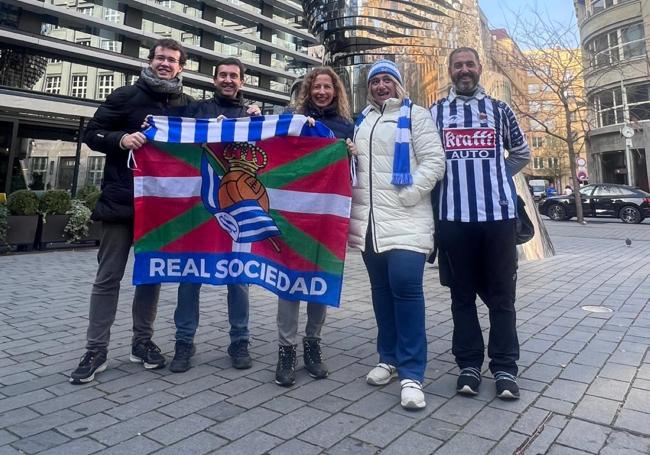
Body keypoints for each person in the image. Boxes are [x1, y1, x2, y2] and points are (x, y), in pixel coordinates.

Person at [69, 39, 192, 384]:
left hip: (160, 208)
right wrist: (121, 139)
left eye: (172, 59)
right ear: (150, 61)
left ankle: (142, 342)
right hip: (121, 203)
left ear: (181, 67)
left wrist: (250, 117)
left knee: (150, 277)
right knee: (108, 278)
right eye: (161, 58)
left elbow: (214, 129)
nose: (166, 63)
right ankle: (96, 349)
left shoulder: (185, 105)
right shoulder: (125, 96)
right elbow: (92, 133)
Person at [430, 47, 531, 400]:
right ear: (450, 71)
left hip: (498, 219)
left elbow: (522, 153)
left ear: (480, 68)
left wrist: (495, 177)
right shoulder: (435, 113)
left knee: (503, 296)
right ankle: (469, 365)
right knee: (461, 297)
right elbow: (425, 158)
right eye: (457, 65)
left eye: (469, 64)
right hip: (453, 219)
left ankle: (504, 367)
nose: (464, 70)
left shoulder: (500, 110)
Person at [349, 60, 445, 409]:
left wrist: (410, 192)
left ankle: (412, 374)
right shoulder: (362, 121)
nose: (381, 85)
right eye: (376, 81)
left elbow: (435, 161)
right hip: (371, 223)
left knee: (405, 290)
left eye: (388, 80)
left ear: (399, 85)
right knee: (381, 293)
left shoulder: (415, 115)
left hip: (407, 219)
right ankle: (387, 358)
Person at [167, 57, 261, 373]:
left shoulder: (253, 116)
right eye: (223, 75)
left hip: (235, 209)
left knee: (239, 278)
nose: (228, 80)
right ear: (214, 79)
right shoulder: (196, 110)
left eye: (234, 76)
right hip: (198, 208)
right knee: (189, 276)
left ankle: (240, 341)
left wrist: (260, 122)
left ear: (242, 82)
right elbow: (170, 136)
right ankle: (183, 342)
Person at [274, 67, 355, 387]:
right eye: (317, 87)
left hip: (327, 215)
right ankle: (286, 350)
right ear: (308, 90)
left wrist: (351, 154)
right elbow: (271, 149)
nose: (322, 91)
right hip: (292, 214)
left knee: (320, 280)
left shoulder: (347, 126)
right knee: (290, 282)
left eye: (327, 87)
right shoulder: (291, 120)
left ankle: (312, 345)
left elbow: (355, 171)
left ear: (335, 91)